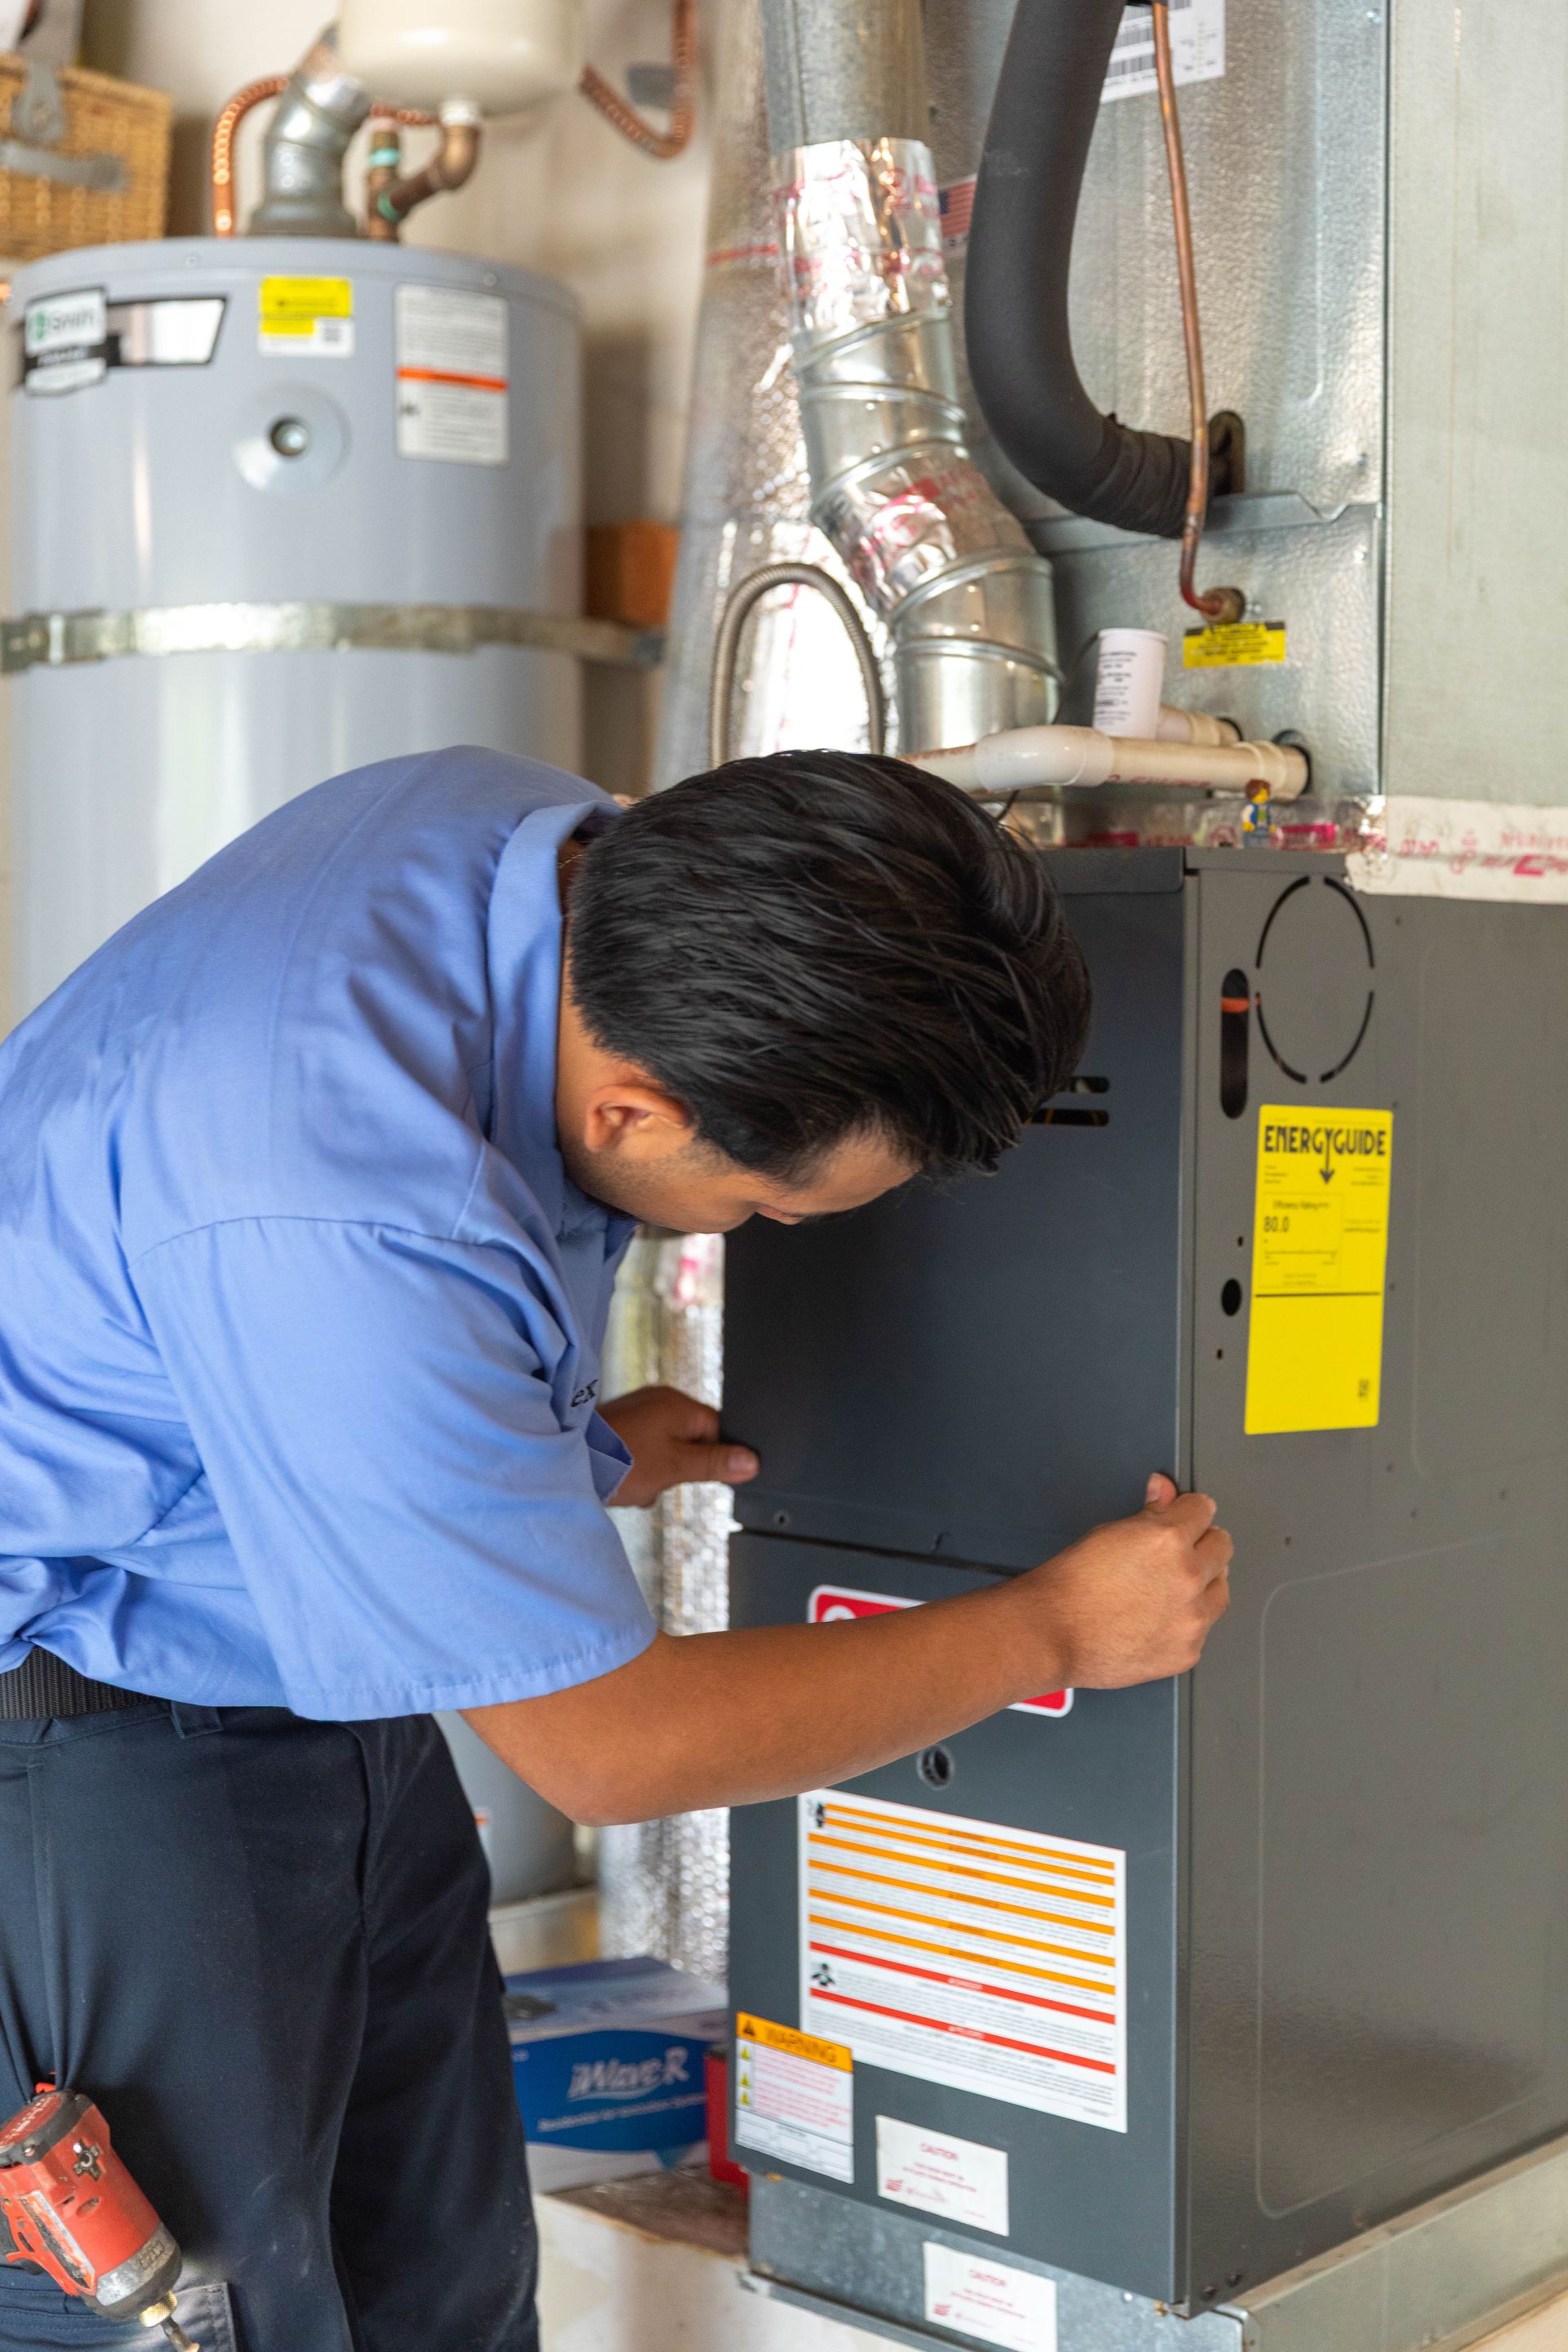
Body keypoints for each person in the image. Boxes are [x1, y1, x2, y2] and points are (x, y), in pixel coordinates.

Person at [0, 746, 1231, 2350]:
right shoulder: (347, 1214)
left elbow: (315, 1332)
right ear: (634, 1105)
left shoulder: (534, 839)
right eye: (768, 1207)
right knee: (200, 2316)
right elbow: (609, 1747)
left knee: (443, 2289)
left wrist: (526, 1449)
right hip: (82, 1748)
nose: (775, 1237)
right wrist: (1056, 1633)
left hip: (317, 1686)